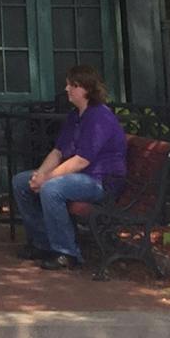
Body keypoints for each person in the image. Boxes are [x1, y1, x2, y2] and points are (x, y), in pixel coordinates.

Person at [11, 64, 128, 270]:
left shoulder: (99, 116)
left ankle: (66, 252)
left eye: (72, 85)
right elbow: (58, 152)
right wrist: (40, 175)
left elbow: (82, 160)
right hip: (79, 177)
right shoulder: (75, 116)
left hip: (101, 180)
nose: (67, 89)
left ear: (86, 88)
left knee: (52, 189)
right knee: (21, 182)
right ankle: (42, 243)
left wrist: (47, 179)